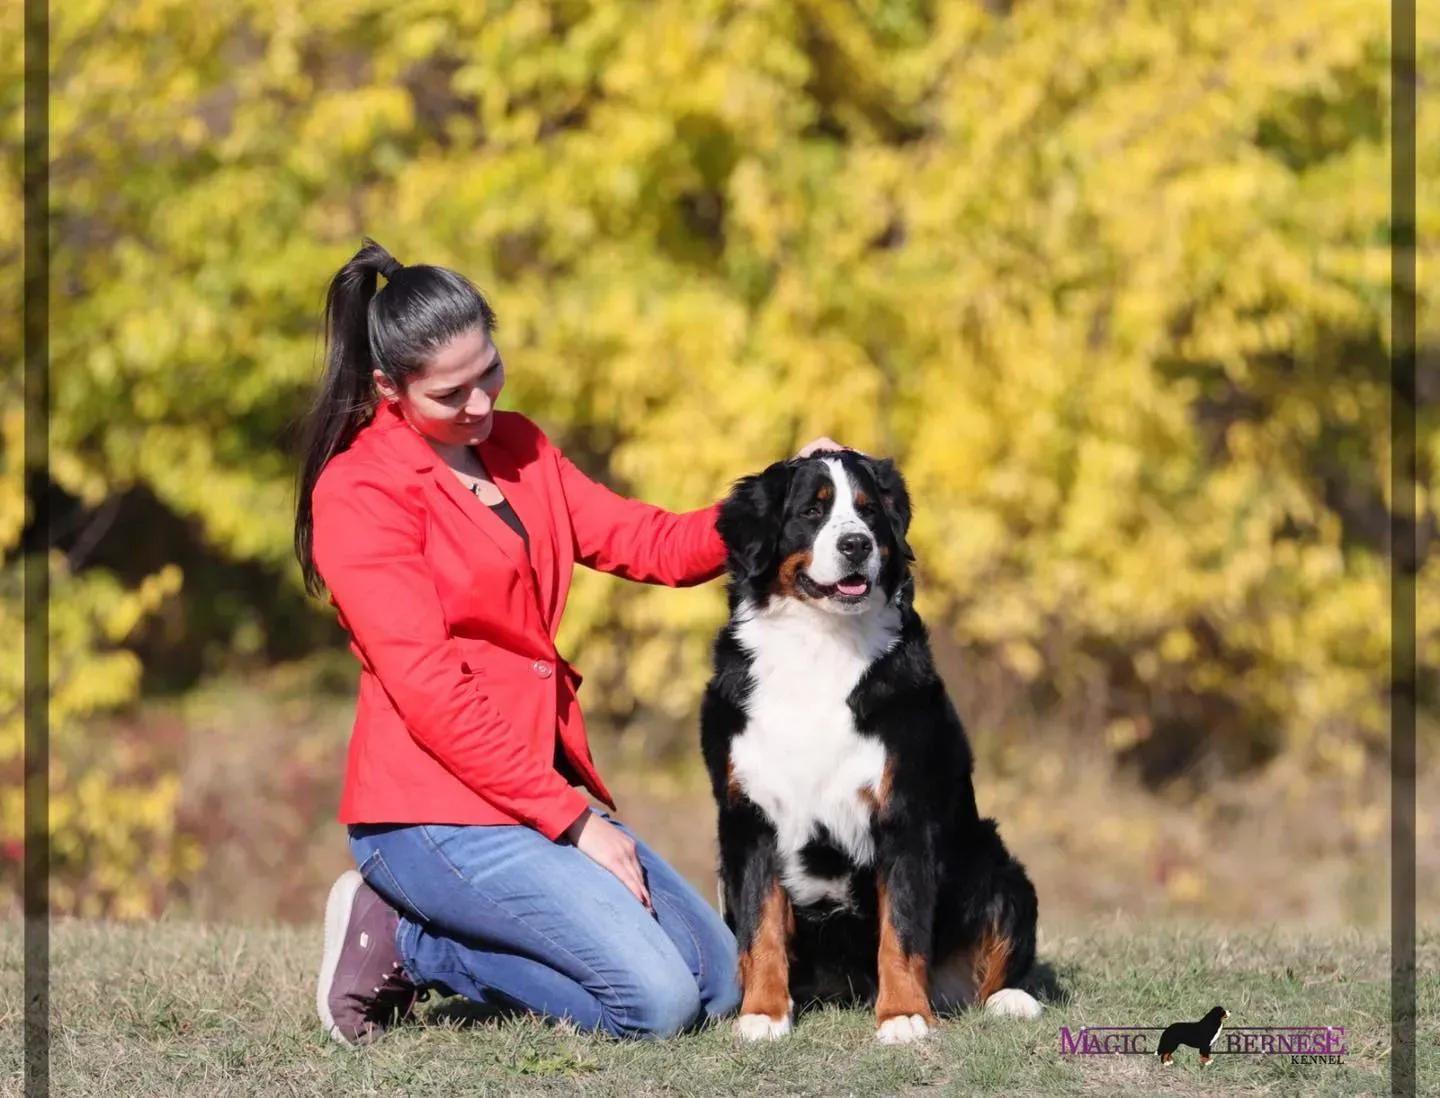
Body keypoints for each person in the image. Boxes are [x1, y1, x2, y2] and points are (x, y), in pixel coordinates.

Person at [296, 239, 844, 1047]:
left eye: (490, 371)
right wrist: (575, 823)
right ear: (388, 388)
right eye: (451, 393)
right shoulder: (360, 492)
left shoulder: (518, 446)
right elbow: (433, 693)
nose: (480, 403)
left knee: (721, 983)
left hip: (520, 798)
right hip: (430, 815)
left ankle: (476, 929)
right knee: (654, 1007)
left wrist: (778, 498)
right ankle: (412, 944)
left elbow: (647, 542)